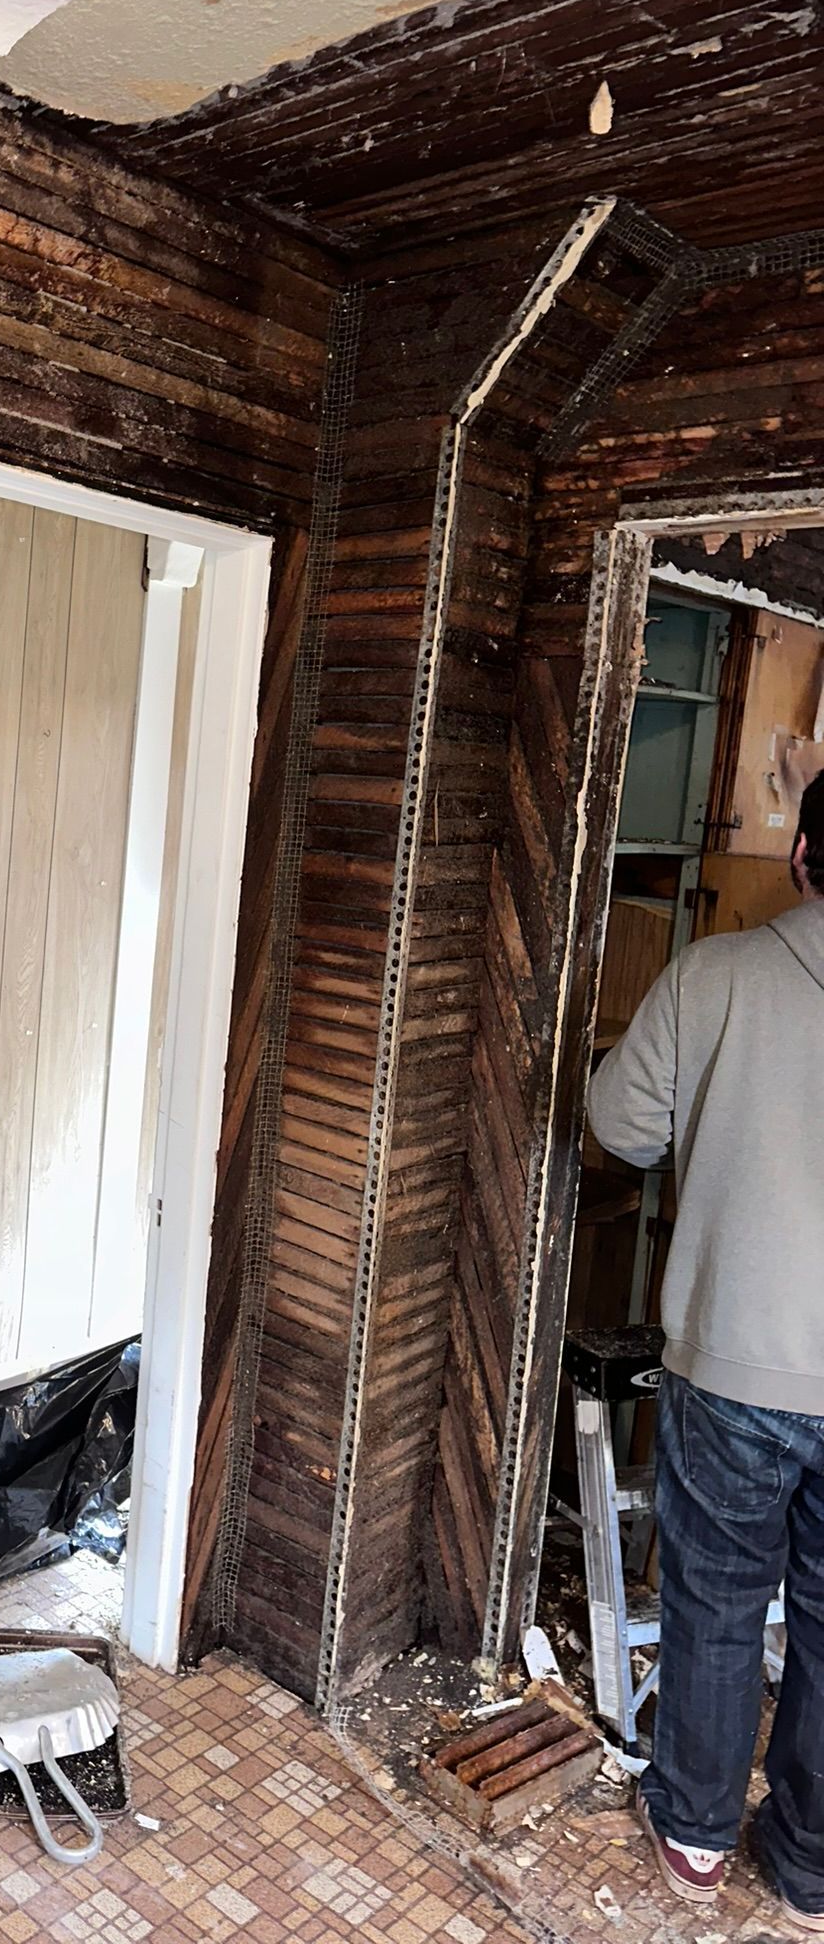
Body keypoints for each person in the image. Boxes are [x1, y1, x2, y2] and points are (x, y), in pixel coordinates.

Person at [586, 770, 824, 1930]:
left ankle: (694, 1833)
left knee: (719, 1599)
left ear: (800, 855)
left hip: (736, 1358)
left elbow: (620, 1124)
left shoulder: (715, 974)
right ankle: (812, 1858)